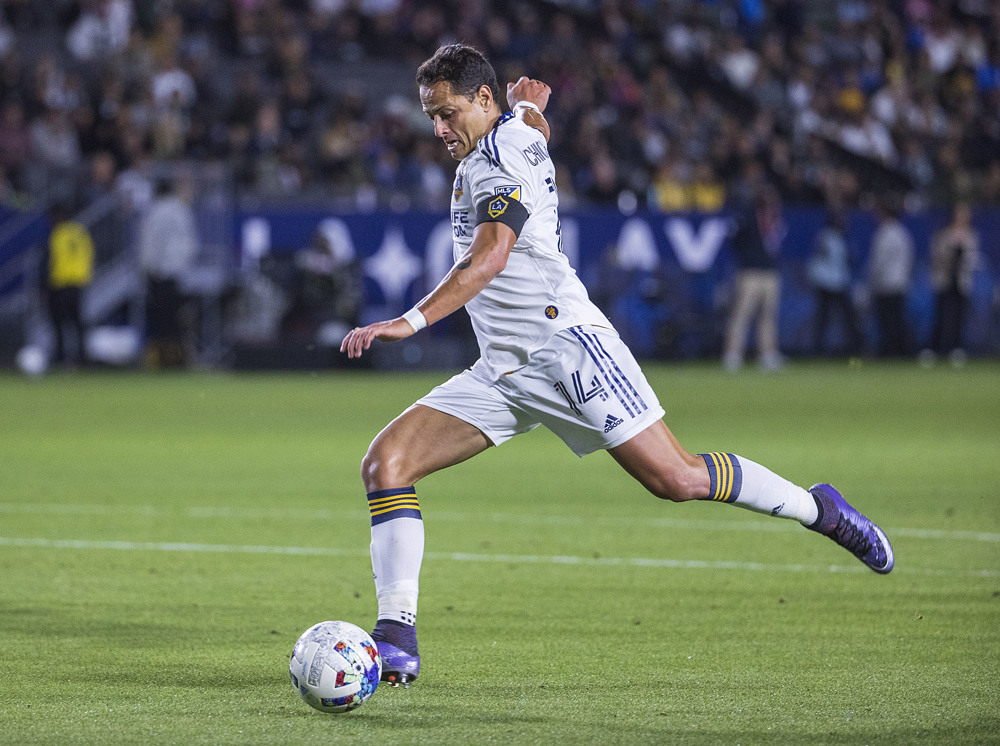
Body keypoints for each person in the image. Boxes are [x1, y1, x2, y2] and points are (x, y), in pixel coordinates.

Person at [340, 44, 894, 689]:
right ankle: (396, 637)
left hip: (568, 347)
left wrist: (406, 322)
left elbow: (490, 257)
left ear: (481, 100)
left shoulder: (500, 159)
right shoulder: (510, 133)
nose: (437, 129)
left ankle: (819, 509)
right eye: (430, 116)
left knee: (677, 479)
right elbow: (533, 127)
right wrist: (525, 107)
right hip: (504, 368)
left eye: (447, 112)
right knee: (387, 464)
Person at [721, 174, 786, 371]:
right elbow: (735, 238)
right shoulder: (748, 214)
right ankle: (733, 354)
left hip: (770, 271)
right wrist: (746, 257)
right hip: (750, 271)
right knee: (742, 314)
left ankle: (767, 353)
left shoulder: (775, 217)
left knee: (768, 315)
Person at [137, 177, 198, 368]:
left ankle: (160, 361)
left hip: (159, 275)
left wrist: (145, 269)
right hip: (178, 275)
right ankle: (180, 359)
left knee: (159, 323)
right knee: (177, 322)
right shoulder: (182, 210)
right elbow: (192, 243)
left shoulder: (155, 211)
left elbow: (150, 245)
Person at [925, 202, 979, 364]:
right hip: (945, 279)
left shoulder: (970, 236)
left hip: (961, 282)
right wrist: (951, 252)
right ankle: (935, 349)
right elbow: (936, 256)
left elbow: (973, 260)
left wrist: (962, 253)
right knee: (941, 315)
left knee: (958, 316)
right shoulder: (944, 235)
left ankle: (956, 348)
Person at [807, 207, 862, 356]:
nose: (842, 222)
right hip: (826, 283)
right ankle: (818, 351)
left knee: (847, 318)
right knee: (824, 318)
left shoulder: (842, 238)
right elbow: (819, 257)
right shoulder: (826, 236)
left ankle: (855, 348)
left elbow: (849, 260)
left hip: (839, 282)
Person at [44, 203, 94, 367]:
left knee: (59, 323)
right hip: (78, 283)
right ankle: (82, 356)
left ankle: (60, 356)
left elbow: (52, 260)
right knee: (77, 322)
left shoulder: (58, 234)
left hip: (61, 283)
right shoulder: (81, 232)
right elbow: (89, 254)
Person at [866, 195, 914, 358]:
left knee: (887, 322)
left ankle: (890, 351)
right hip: (900, 282)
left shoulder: (883, 233)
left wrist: (870, 283)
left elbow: (877, 262)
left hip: (885, 284)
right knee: (897, 319)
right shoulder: (903, 233)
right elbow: (909, 259)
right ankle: (900, 351)